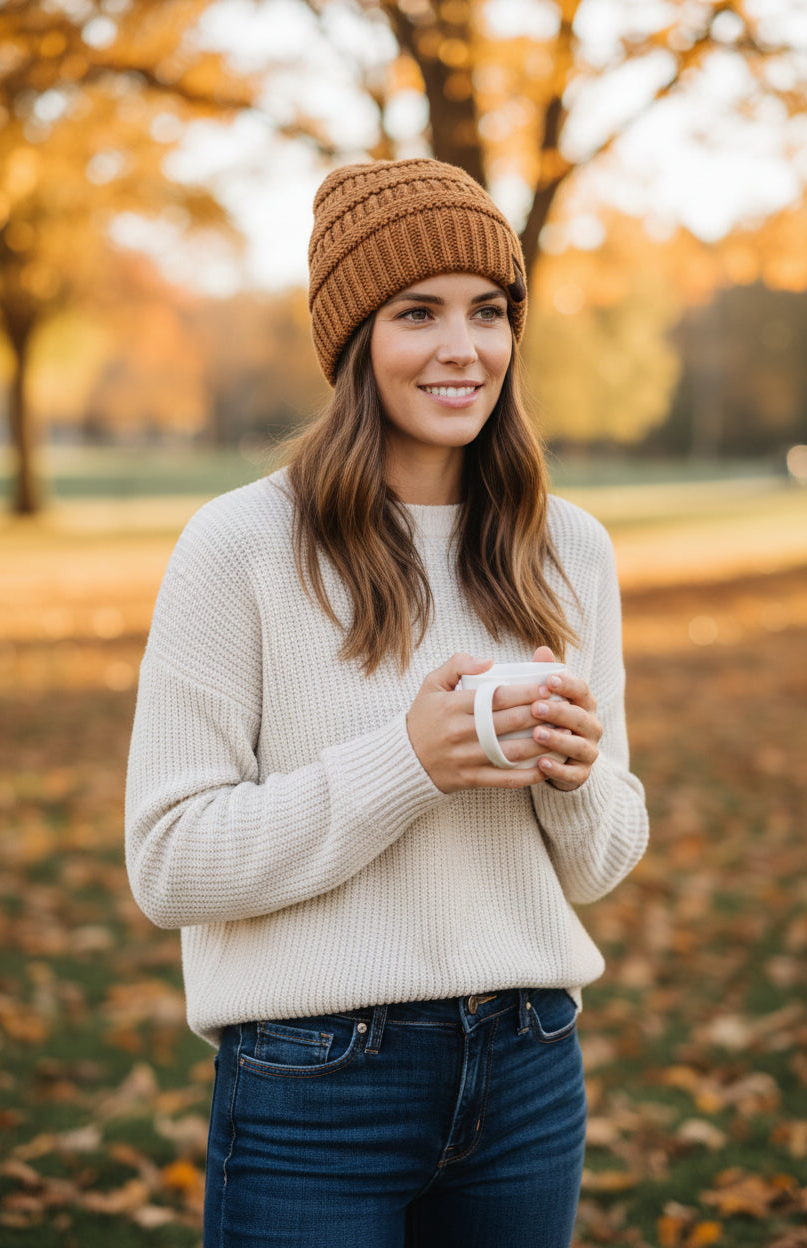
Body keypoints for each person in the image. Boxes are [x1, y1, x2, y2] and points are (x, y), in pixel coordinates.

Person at [125, 157, 648, 1248]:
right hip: (315, 1087)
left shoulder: (569, 551)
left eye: (489, 312)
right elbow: (169, 863)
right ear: (353, 339)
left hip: (528, 1069)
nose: (465, 348)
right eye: (418, 312)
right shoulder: (241, 549)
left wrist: (573, 773)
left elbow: (599, 865)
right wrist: (406, 764)